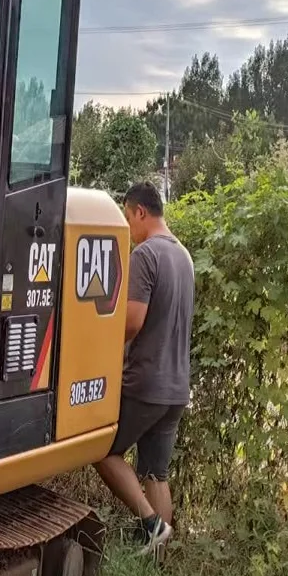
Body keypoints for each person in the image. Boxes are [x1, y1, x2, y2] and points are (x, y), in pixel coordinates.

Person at [94, 180, 194, 551]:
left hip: (146, 383)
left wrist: (99, 345)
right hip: (176, 387)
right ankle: (160, 554)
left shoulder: (146, 255)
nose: (128, 230)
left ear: (140, 212)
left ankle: (151, 523)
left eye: (127, 219)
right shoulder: (183, 255)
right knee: (157, 472)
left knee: (100, 449)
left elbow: (132, 321)